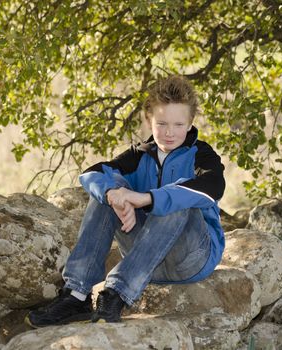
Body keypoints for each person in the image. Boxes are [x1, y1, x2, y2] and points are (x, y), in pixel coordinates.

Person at [26, 75, 225, 327]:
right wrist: (117, 197)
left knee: (175, 201)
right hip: (144, 259)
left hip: (190, 259)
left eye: (178, 124)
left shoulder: (202, 155)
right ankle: (77, 295)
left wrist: (145, 199)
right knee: (108, 191)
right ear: (148, 119)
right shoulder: (139, 154)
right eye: (161, 123)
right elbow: (91, 173)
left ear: (190, 123)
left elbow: (214, 186)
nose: (169, 132)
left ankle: (116, 293)